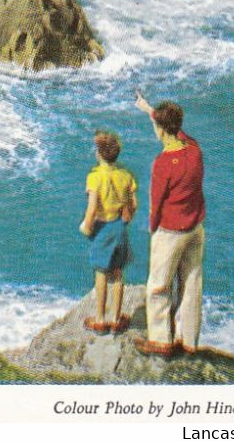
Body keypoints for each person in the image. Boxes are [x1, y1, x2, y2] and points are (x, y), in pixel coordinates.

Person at [134, 92, 206, 357]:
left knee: (159, 287)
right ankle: (189, 342)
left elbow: (156, 204)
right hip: (195, 229)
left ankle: (162, 341)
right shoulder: (194, 150)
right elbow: (178, 131)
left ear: (162, 129)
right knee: (191, 283)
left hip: (171, 232)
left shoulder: (163, 164)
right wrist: (149, 110)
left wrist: (153, 229)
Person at [80, 129, 137, 334]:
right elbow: (133, 205)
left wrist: (87, 226)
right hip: (119, 228)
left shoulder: (94, 177)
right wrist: (125, 219)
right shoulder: (126, 175)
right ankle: (115, 318)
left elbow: (93, 207)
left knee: (101, 274)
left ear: (99, 154)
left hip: (102, 228)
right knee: (118, 273)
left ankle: (101, 318)